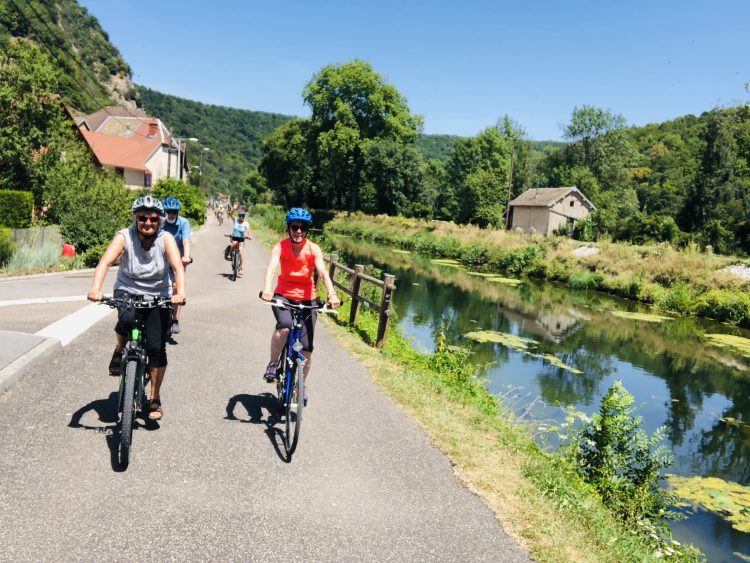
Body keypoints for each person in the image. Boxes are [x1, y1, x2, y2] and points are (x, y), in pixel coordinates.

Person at [87, 195, 185, 421]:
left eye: (152, 218)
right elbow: (105, 262)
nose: (148, 222)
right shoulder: (124, 236)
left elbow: (178, 267)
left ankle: (154, 399)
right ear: (135, 218)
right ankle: (120, 348)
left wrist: (180, 293)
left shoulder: (166, 238)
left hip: (159, 295)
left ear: (159, 220)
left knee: (156, 348)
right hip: (127, 289)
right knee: (127, 319)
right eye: (143, 218)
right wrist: (95, 288)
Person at [260, 208, 340, 402]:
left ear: (307, 231)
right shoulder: (281, 247)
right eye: (295, 227)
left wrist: (332, 293)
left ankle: (300, 385)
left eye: (303, 228)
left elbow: (322, 272)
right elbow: (271, 267)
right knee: (285, 327)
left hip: (307, 299)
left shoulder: (313, 249)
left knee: (307, 348)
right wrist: (267, 289)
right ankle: (272, 364)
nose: (298, 231)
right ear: (289, 228)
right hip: (283, 296)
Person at [161, 196, 191, 335]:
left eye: (174, 212)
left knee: (178, 289)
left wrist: (186, 256)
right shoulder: (161, 223)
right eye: (168, 211)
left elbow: (186, 241)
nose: (171, 214)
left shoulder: (184, 223)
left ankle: (175, 320)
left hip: (178, 260)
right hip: (161, 260)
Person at [229, 209, 251, 275]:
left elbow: (248, 231)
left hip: (241, 239)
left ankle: (241, 268)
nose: (241, 217)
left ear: (244, 216)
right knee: (234, 243)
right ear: (238, 215)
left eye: (243, 216)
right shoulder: (235, 220)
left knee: (241, 252)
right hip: (234, 237)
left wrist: (249, 236)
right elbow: (230, 215)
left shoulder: (246, 223)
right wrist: (233, 209)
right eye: (240, 215)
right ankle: (229, 254)